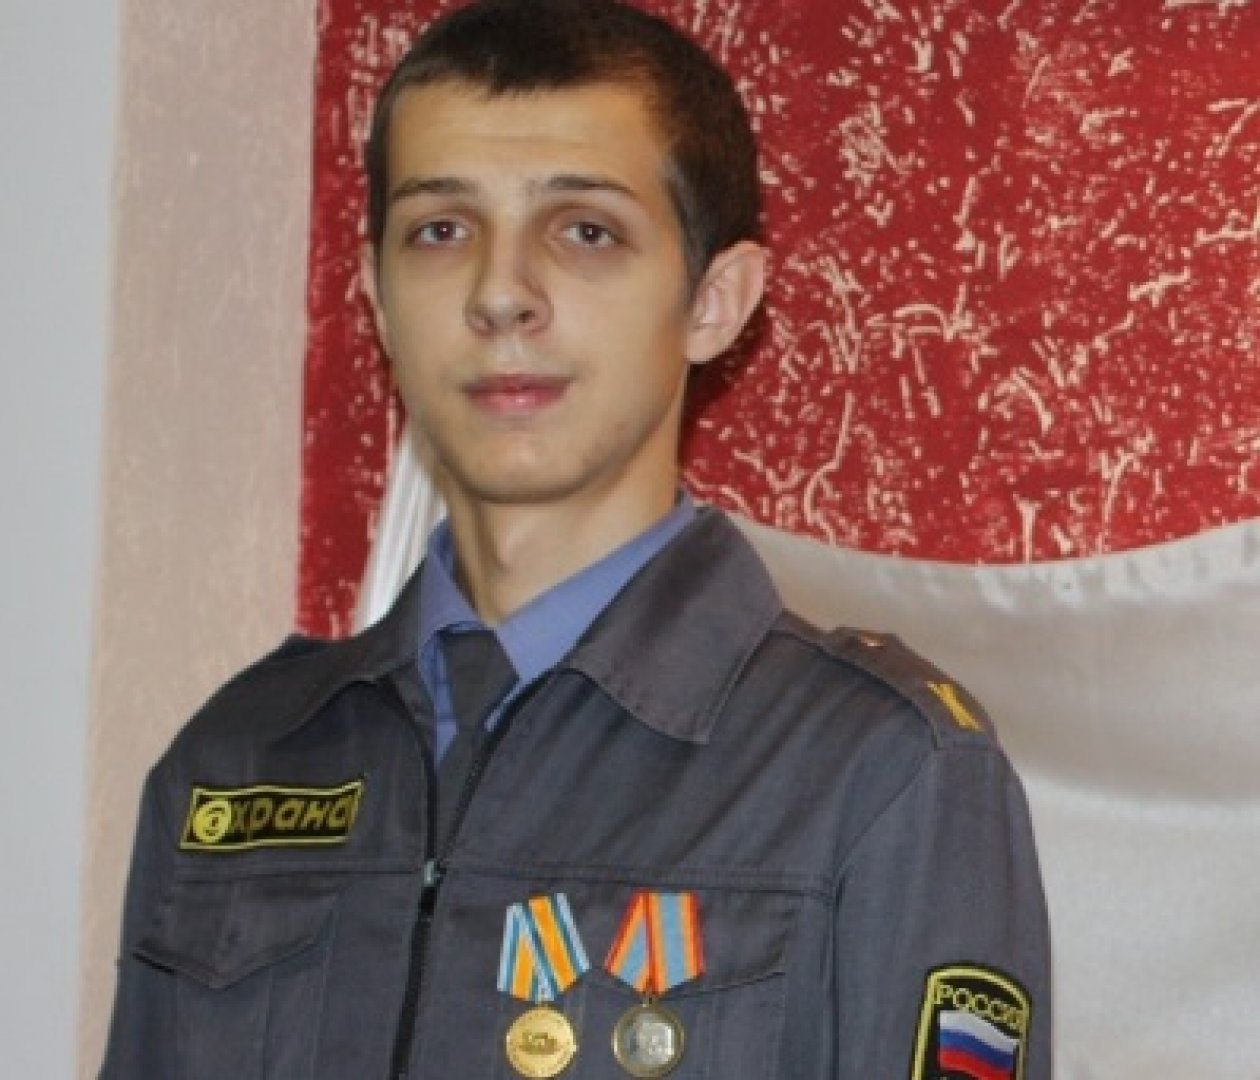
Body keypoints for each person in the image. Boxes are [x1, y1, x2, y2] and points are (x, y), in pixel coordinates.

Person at [101, 0, 1051, 1076]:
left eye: (585, 230)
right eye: (441, 230)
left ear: (714, 301)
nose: (500, 294)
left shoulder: (875, 771)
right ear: (376, 295)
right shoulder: (238, 761)